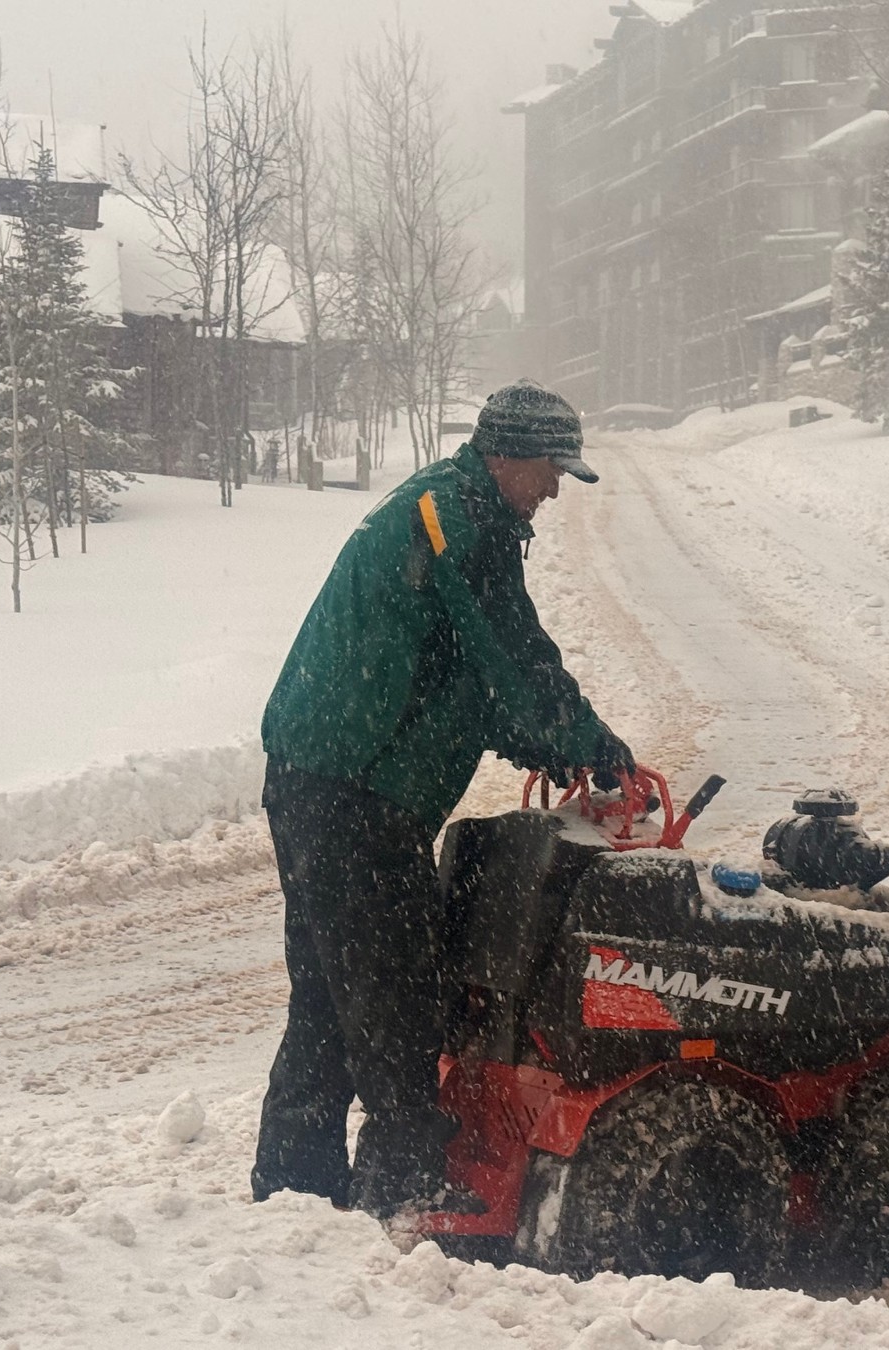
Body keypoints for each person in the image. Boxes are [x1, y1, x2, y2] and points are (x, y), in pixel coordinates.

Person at [251, 380, 633, 1220]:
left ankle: (295, 1197)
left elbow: (466, 671)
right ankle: (406, 1187)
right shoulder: (458, 524)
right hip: (355, 791)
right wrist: (590, 743)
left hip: (321, 777)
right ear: (506, 454)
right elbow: (511, 655)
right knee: (401, 998)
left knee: (326, 996)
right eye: (550, 468)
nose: (556, 487)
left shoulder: (450, 507)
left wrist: (544, 737)